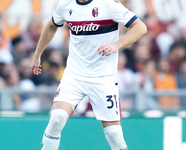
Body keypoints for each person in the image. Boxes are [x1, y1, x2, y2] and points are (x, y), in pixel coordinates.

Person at [31, 0, 147, 149]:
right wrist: (37, 55)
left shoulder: (109, 4)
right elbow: (51, 25)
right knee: (56, 118)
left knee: (113, 134)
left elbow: (140, 27)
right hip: (74, 75)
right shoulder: (65, 5)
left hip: (103, 78)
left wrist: (116, 45)